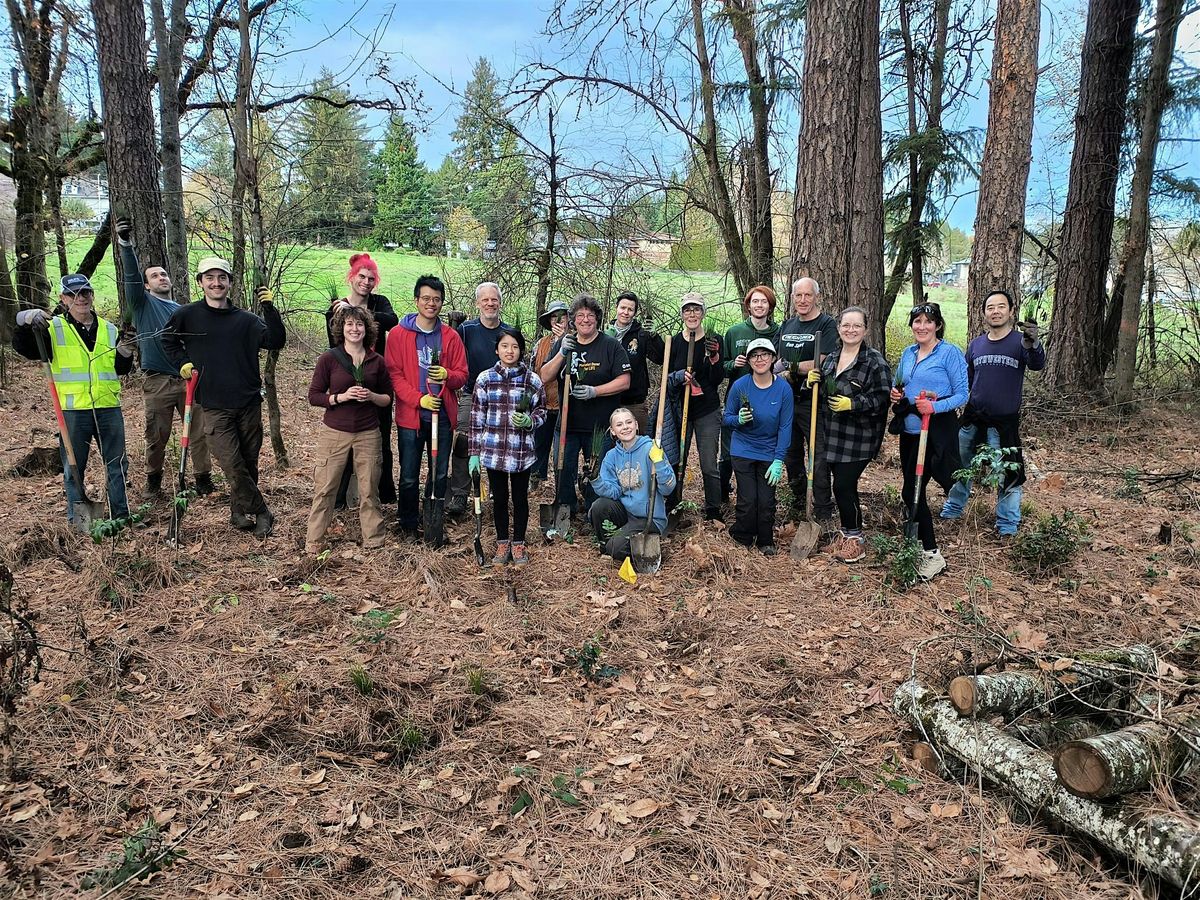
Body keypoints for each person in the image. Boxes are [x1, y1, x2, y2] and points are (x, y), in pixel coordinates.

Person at [162, 259, 286, 537]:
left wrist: (270, 309)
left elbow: (276, 341)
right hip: (213, 404)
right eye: (210, 278)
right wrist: (182, 362)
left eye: (222, 278)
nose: (216, 283)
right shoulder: (187, 315)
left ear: (230, 282)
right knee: (231, 462)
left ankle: (238, 511)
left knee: (248, 462)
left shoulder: (247, 320)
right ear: (200, 282)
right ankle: (262, 511)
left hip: (248, 403)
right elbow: (167, 340)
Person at [14, 274, 135, 525]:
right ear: (63, 298)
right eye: (73, 294)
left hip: (108, 407)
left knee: (117, 464)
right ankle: (79, 521)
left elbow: (120, 369)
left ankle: (121, 516)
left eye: (85, 292)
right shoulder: (52, 328)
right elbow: (25, 348)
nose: (80, 298)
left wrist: (125, 351)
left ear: (92, 295)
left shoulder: (109, 329)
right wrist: (24, 321)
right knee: (73, 467)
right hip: (73, 410)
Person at [114, 217, 213, 499]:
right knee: (156, 434)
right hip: (158, 381)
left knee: (198, 432)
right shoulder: (143, 304)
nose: (161, 278)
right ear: (146, 285)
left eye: (164, 274)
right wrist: (125, 244)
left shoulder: (183, 310)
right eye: (155, 276)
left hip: (189, 381)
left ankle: (203, 480)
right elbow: (131, 277)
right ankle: (153, 483)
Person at [939, 290, 1046, 536]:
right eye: (990, 307)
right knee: (959, 465)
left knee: (1008, 472)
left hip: (1003, 423)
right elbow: (965, 381)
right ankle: (953, 509)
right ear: (984, 313)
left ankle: (1007, 524)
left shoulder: (1020, 342)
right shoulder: (976, 345)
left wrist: (1034, 344)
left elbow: (1037, 364)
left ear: (1011, 311)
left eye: (1001, 306)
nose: (995, 311)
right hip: (972, 419)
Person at [384, 275, 468, 539]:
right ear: (416, 300)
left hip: (441, 416)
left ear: (442, 303)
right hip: (411, 416)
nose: (431, 304)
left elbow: (462, 375)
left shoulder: (450, 337)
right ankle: (408, 523)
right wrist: (418, 399)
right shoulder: (398, 335)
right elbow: (395, 375)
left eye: (437, 299)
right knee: (409, 474)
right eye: (426, 298)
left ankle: (433, 522)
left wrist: (447, 375)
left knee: (439, 473)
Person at [889, 301, 968, 580]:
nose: (922, 326)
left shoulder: (949, 353)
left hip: (936, 429)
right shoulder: (908, 353)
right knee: (911, 490)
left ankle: (932, 554)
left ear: (938, 325)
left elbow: (963, 394)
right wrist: (896, 394)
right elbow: (899, 384)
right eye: (917, 321)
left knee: (913, 489)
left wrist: (934, 407)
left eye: (928, 321)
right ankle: (917, 545)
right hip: (911, 430)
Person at [305, 306, 394, 554]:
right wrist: (340, 397)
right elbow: (314, 396)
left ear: (367, 329)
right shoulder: (329, 359)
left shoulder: (377, 361)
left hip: (368, 432)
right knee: (325, 488)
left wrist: (371, 396)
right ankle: (314, 542)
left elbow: (388, 398)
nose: (355, 329)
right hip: (335, 432)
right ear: (341, 328)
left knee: (369, 489)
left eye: (359, 324)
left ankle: (374, 541)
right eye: (350, 324)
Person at [538, 293, 631, 519]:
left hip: (599, 427)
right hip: (567, 425)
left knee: (597, 473)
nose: (585, 320)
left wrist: (595, 391)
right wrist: (562, 353)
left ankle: (594, 513)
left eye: (590, 315)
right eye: (580, 315)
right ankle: (566, 510)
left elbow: (624, 381)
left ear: (597, 318)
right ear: (573, 320)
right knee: (563, 469)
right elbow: (544, 376)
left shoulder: (610, 346)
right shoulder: (564, 344)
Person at [810, 306, 892, 563]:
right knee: (841, 485)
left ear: (865, 330)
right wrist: (812, 382)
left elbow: (882, 398)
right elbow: (822, 393)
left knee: (843, 485)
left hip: (860, 437)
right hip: (833, 435)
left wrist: (853, 404)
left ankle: (856, 539)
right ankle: (846, 534)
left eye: (857, 325)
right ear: (839, 328)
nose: (851, 330)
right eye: (846, 325)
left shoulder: (874, 361)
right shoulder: (832, 358)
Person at [323, 253, 399, 507]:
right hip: (346, 378)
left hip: (377, 378)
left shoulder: (380, 302)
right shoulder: (336, 308)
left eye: (371, 278)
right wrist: (344, 313)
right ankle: (339, 497)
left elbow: (392, 321)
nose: (366, 282)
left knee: (381, 438)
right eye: (362, 277)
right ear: (352, 277)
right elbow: (334, 343)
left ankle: (384, 494)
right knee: (344, 438)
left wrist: (357, 313)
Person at [468, 328, 547, 566]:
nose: (509, 351)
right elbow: (476, 418)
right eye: (504, 346)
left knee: (520, 499)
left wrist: (530, 421)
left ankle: (518, 543)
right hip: (494, 451)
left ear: (521, 350)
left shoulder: (531, 380)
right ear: (497, 350)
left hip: (521, 452)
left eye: (514, 346)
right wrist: (474, 453)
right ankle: (503, 542)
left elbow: (542, 411)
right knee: (500, 498)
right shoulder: (485, 379)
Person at [450, 282, 524, 516]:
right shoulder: (466, 330)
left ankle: (496, 492)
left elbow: (520, 365)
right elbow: (451, 353)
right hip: (472, 393)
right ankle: (460, 493)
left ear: (500, 303)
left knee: (501, 440)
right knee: (463, 440)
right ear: (477, 303)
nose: (490, 304)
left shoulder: (508, 332)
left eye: (494, 299)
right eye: (485, 300)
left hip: (503, 397)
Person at [776, 277, 839, 521]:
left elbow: (821, 361)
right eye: (798, 295)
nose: (803, 300)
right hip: (786, 400)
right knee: (791, 453)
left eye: (808, 295)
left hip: (812, 401)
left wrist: (790, 367)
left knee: (818, 456)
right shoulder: (787, 325)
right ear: (793, 298)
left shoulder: (826, 324)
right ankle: (799, 499)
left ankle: (822, 509)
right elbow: (776, 361)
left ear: (816, 297)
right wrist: (786, 367)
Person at [722, 338, 792, 555]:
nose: (759, 359)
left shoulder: (783, 389)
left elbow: (785, 427)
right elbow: (726, 418)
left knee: (766, 500)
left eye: (764, 355)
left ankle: (765, 539)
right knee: (748, 499)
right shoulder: (740, 386)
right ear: (749, 361)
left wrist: (779, 459)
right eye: (754, 355)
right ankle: (743, 536)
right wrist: (738, 420)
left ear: (772, 358)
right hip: (743, 448)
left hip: (769, 451)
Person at [661, 293, 725, 521]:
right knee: (677, 459)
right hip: (681, 410)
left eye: (696, 309)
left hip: (707, 409)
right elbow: (667, 379)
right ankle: (673, 505)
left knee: (708, 463)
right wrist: (679, 376)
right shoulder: (674, 342)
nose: (692, 314)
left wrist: (715, 357)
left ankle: (713, 509)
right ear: (682, 314)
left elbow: (717, 379)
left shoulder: (713, 340)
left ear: (703, 313)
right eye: (687, 310)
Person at [589, 407, 676, 563]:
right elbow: (613, 492)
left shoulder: (651, 449)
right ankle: (607, 547)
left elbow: (668, 488)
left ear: (636, 425)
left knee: (616, 547)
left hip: (649, 518)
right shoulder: (612, 456)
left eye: (629, 422)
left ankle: (624, 547)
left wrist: (659, 462)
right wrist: (596, 479)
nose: (625, 427)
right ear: (613, 431)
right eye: (619, 424)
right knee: (599, 506)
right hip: (626, 515)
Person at [721, 285, 781, 501]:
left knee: (763, 447)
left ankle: (763, 494)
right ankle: (723, 492)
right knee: (728, 449)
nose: (759, 305)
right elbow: (721, 368)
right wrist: (732, 365)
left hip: (768, 399)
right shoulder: (735, 332)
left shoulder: (778, 333)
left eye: (764, 301)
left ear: (770, 306)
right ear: (748, 305)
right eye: (755, 301)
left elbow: (781, 363)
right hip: (738, 398)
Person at [607, 291, 664, 433]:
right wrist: (605, 341)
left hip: (634, 402)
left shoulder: (641, 334)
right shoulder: (605, 332)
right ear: (616, 308)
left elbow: (660, 358)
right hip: (608, 400)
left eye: (630, 309)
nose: (625, 312)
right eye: (623, 308)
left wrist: (654, 337)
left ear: (635, 313)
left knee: (639, 441)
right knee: (609, 442)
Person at [531, 300, 568, 479]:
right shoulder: (541, 344)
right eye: (554, 317)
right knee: (539, 446)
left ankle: (563, 483)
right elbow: (532, 373)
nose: (558, 320)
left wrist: (563, 341)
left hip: (566, 405)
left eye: (562, 316)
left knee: (563, 450)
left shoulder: (577, 341)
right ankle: (536, 481)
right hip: (544, 403)